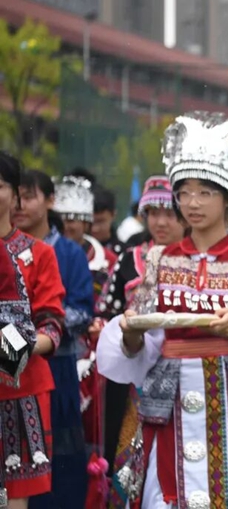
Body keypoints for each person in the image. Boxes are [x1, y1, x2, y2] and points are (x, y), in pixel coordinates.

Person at [96, 112, 228, 509]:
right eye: (184, 192)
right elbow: (141, 346)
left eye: (205, 192)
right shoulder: (158, 261)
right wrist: (131, 335)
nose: (192, 203)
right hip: (168, 401)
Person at [92, 175, 186, 508]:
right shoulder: (128, 258)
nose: (160, 222)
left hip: (185, 374)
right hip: (135, 380)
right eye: (152, 213)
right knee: (128, 460)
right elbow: (105, 311)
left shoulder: (195, 259)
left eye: (169, 213)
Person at [15, 170, 95, 509]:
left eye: (29, 196)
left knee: (59, 455)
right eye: (15, 194)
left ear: (50, 201)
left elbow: (81, 311)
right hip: (10, 369)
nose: (20, 204)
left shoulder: (67, 253)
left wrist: (39, 326)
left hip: (56, 366)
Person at [0, 152, 66, 507]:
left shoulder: (38, 254)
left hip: (22, 387)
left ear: (16, 196)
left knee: (16, 496)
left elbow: (52, 325)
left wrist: (11, 348)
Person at [53, 177, 118, 302]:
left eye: (71, 220)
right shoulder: (45, 253)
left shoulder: (108, 259)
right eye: (60, 221)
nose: (65, 227)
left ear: (86, 224)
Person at [92, 186, 124, 255]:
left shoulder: (126, 254)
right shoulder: (75, 253)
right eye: (91, 222)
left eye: (100, 221)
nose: (95, 229)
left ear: (113, 215)